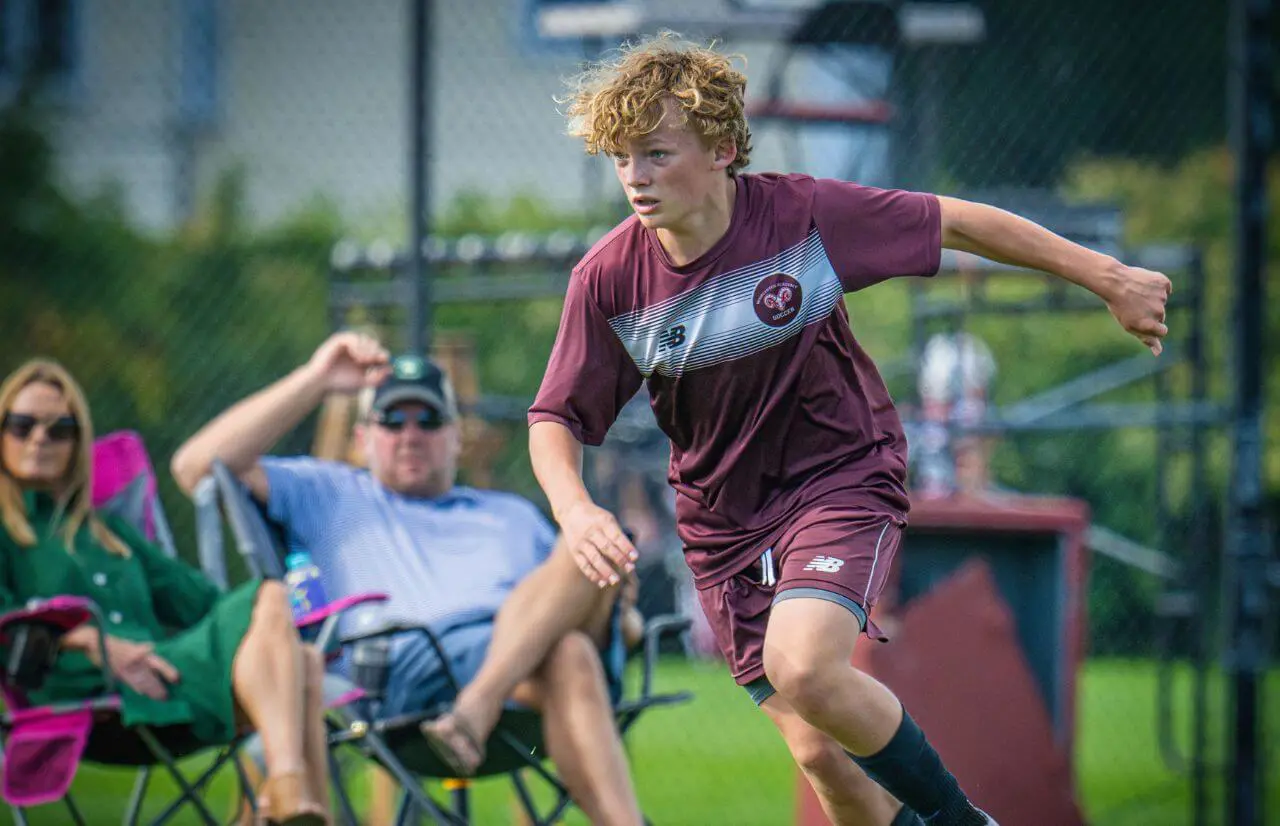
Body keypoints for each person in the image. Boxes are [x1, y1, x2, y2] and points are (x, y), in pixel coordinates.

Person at [435, 34, 1173, 826]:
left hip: (840, 478)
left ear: (720, 149)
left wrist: (1109, 276)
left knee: (805, 667)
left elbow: (954, 223)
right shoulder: (610, 279)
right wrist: (575, 510)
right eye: (622, 159)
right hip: (723, 529)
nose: (636, 179)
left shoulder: (802, 218)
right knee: (820, 749)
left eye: (655, 153)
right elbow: (554, 416)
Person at [170, 334, 645, 826]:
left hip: (519, 683)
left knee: (580, 571)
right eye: (393, 420)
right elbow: (195, 467)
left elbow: (589, 613)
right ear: (362, 438)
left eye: (430, 420)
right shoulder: (328, 491)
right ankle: (481, 711)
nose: (411, 434)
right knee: (574, 625)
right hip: (404, 677)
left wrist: (615, 599)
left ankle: (475, 708)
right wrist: (317, 379)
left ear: (458, 436)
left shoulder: (512, 515)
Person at [0, 358, 330, 825]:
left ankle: (283, 803)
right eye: (22, 425)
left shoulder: (110, 533)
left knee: (299, 650)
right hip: (85, 700)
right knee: (279, 612)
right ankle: (283, 795)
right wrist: (91, 641)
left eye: (61, 428)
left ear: (78, 444)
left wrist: (273, 632)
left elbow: (203, 603)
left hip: (164, 679)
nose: (40, 438)